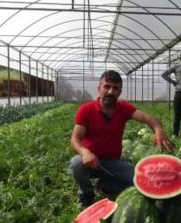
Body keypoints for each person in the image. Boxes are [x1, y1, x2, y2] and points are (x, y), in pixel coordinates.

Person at [70, 70, 173, 209]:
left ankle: (106, 184)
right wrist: (84, 152)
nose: (111, 91)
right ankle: (86, 195)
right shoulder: (86, 110)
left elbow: (148, 118)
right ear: (99, 88)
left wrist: (158, 130)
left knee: (142, 181)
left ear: (120, 91)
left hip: (112, 164)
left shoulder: (124, 108)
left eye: (115, 88)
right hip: (90, 163)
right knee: (76, 163)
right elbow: (75, 139)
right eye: (107, 86)